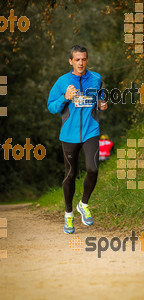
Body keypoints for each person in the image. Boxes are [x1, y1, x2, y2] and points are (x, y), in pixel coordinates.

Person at [47, 45, 107, 234]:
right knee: (70, 175)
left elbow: (101, 96)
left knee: (93, 168)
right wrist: (65, 97)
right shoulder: (62, 81)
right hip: (69, 134)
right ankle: (68, 214)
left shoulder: (96, 78)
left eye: (84, 59)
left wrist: (102, 103)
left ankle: (84, 204)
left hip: (91, 130)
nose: (81, 63)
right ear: (71, 61)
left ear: (87, 60)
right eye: (77, 59)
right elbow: (51, 106)